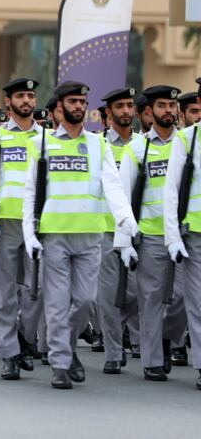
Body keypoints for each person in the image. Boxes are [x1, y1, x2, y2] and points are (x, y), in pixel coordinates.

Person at [23, 81, 137, 389]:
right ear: (59, 107)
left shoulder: (98, 145)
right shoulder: (42, 144)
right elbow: (30, 192)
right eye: (72, 101)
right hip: (55, 234)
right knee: (58, 303)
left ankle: (67, 346)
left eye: (81, 102)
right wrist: (29, 233)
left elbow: (112, 185)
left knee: (85, 302)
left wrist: (125, 217)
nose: (78, 106)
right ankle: (61, 363)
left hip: (89, 235)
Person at [0, 78, 44, 380]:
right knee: (3, 292)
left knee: (36, 290)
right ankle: (9, 353)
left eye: (30, 96)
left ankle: (25, 340)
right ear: (8, 102)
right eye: (21, 96)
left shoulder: (47, 137)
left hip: (38, 223)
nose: (26, 101)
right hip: (5, 224)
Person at [116, 85, 183, 382]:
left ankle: (167, 339)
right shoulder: (137, 148)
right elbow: (123, 195)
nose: (168, 110)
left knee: (183, 298)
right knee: (152, 299)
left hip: (183, 234)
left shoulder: (187, 143)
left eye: (172, 105)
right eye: (162, 106)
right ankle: (153, 359)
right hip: (151, 235)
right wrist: (125, 241)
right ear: (150, 112)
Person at [95, 87, 142, 374]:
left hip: (139, 230)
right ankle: (113, 351)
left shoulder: (143, 145)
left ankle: (132, 336)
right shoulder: (99, 145)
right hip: (105, 230)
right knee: (108, 294)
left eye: (129, 106)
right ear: (109, 113)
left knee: (138, 293)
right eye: (120, 107)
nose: (125, 111)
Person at [162, 77, 201, 391]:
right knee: (198, 303)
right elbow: (171, 191)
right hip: (196, 235)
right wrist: (173, 236)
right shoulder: (187, 139)